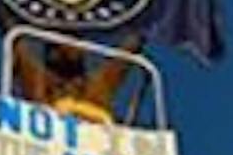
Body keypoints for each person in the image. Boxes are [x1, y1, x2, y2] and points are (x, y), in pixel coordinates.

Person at [11, 32, 143, 124]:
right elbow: (24, 63)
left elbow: (118, 65)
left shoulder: (95, 90)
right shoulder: (42, 88)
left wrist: (137, 38)